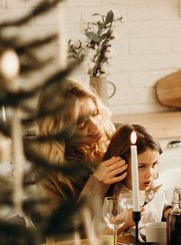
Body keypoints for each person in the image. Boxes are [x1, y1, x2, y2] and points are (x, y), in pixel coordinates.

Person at [36, 78, 127, 218]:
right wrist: (97, 182)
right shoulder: (48, 173)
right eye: (80, 123)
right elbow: (63, 233)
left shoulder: (115, 136)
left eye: (95, 113)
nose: (95, 126)